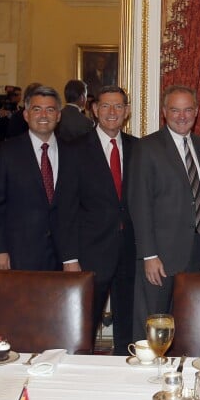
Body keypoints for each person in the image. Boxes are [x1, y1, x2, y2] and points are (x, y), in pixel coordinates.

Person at [128, 85, 200, 341]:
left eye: (188, 109)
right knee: (152, 326)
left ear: (197, 111)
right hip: (160, 257)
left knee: (189, 322)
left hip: (197, 255)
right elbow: (140, 204)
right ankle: (148, 375)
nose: (182, 116)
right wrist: (149, 255)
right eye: (175, 110)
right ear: (165, 112)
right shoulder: (147, 147)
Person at [58, 86, 137, 355]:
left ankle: (124, 381)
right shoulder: (74, 149)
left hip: (130, 252)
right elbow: (64, 208)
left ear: (127, 111)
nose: (112, 112)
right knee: (84, 327)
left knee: (128, 328)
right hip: (90, 254)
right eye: (105, 106)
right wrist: (69, 258)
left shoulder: (139, 148)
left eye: (118, 106)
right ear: (94, 110)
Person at [0, 85, 72, 271]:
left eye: (50, 110)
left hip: (61, 256)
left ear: (58, 115)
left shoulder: (73, 153)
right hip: (17, 255)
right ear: (26, 115)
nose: (43, 115)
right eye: (36, 109)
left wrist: (73, 256)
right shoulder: (6, 153)